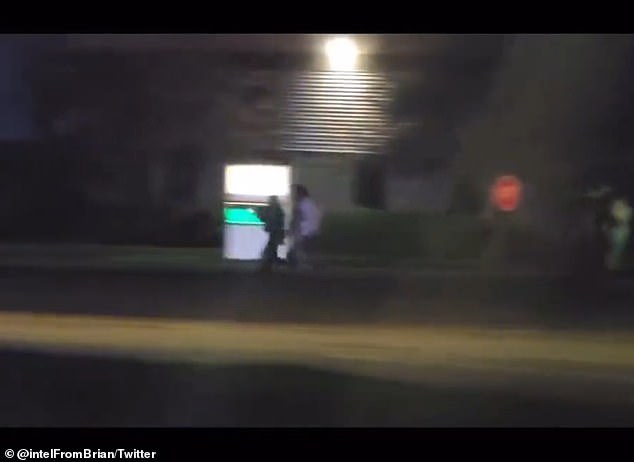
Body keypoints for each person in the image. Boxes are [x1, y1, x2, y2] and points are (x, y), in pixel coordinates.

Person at [288, 184, 321, 269]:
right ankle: (312, 266)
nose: (293, 196)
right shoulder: (312, 203)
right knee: (309, 251)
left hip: (303, 232)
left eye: (294, 193)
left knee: (299, 250)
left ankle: (302, 266)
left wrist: (292, 230)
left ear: (299, 194)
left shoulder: (301, 204)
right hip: (313, 231)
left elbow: (296, 219)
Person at [258, 195, 285, 272]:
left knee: (270, 249)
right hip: (276, 232)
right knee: (272, 249)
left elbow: (269, 220)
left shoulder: (273, 209)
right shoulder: (278, 210)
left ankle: (267, 267)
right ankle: (271, 266)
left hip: (274, 232)